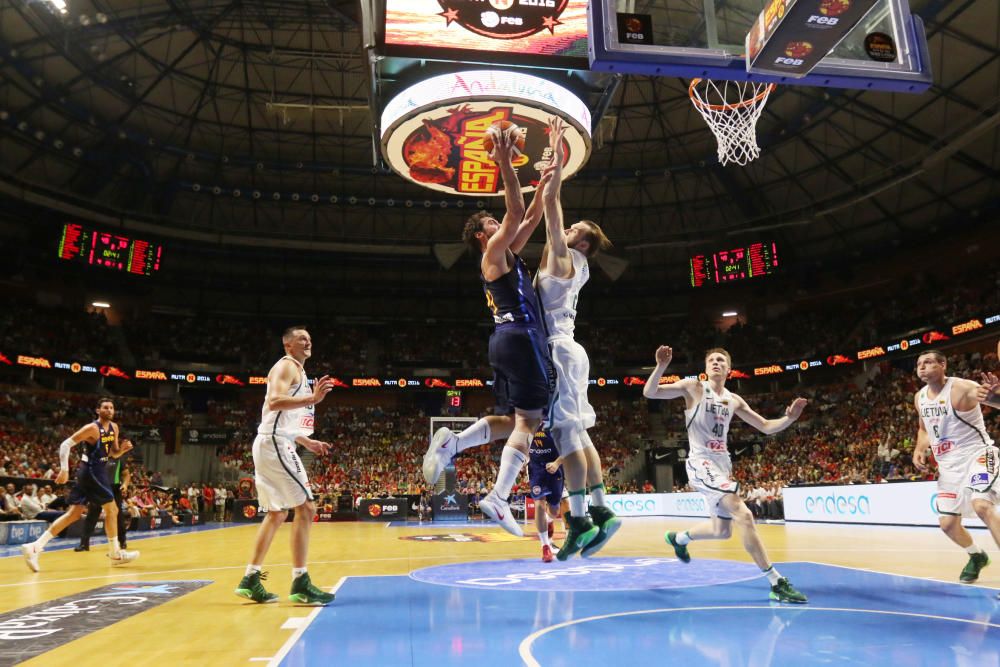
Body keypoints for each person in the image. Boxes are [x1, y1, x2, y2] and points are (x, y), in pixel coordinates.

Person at [422, 125, 556, 537]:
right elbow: (515, 213)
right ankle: (498, 497)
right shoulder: (493, 253)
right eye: (493, 223)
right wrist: (503, 161)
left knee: (509, 419)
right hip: (521, 337)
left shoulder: (507, 252)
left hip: (505, 341)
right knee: (529, 424)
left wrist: (550, 174)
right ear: (484, 235)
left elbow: (530, 215)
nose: (501, 224)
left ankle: (453, 445)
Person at [643, 346, 808, 603]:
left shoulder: (733, 400)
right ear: (706, 368)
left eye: (721, 360)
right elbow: (650, 392)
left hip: (722, 465)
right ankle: (776, 581)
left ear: (729, 369)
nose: (716, 363)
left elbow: (765, 426)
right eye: (711, 360)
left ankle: (679, 538)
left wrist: (789, 419)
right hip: (701, 462)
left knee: (722, 531)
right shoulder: (693, 387)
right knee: (744, 513)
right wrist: (661, 367)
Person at [533, 117, 616, 559]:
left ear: (581, 245)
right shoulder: (572, 265)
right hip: (570, 349)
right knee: (580, 437)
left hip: (560, 352)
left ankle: (581, 519)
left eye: (573, 232)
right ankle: (601, 512)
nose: (566, 232)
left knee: (568, 437)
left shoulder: (566, 260)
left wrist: (556, 150)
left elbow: (551, 205)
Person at [234, 326, 336, 605]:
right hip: (274, 444)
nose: (308, 341)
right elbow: (274, 401)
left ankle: (250, 579)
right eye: (302, 338)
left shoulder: (299, 372)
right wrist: (312, 399)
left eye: (310, 338)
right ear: (288, 345)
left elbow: (283, 420)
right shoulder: (287, 366)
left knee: (277, 514)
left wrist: (307, 442)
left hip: (273, 442)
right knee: (306, 507)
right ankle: (300, 582)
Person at [20, 397, 140, 572]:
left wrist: (122, 450)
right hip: (91, 471)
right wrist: (64, 469)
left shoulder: (114, 427)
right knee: (112, 510)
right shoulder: (91, 428)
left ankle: (34, 547)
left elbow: (113, 454)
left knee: (74, 514)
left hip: (95, 471)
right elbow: (65, 444)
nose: (109, 410)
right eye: (105, 407)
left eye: (112, 408)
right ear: (98, 410)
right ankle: (115, 554)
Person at [912, 350, 1000, 583]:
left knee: (982, 505)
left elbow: (991, 400)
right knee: (948, 524)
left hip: (978, 455)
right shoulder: (919, 397)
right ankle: (976, 556)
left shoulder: (961, 388)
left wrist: (995, 396)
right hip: (949, 468)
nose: (922, 367)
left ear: (943, 365)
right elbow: (924, 428)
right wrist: (919, 449)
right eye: (919, 363)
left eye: (929, 362)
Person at [75, 452, 131, 552]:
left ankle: (122, 541)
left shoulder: (119, 459)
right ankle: (84, 544)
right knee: (91, 516)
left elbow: (126, 475)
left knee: (118, 516)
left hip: (114, 489)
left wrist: (125, 485)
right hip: (98, 488)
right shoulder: (97, 456)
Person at [528, 429, 564, 562]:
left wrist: (557, 463)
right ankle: (545, 546)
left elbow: (571, 448)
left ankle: (549, 520)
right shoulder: (527, 420)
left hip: (555, 468)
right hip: (536, 470)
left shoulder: (557, 422)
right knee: (539, 505)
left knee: (555, 510)